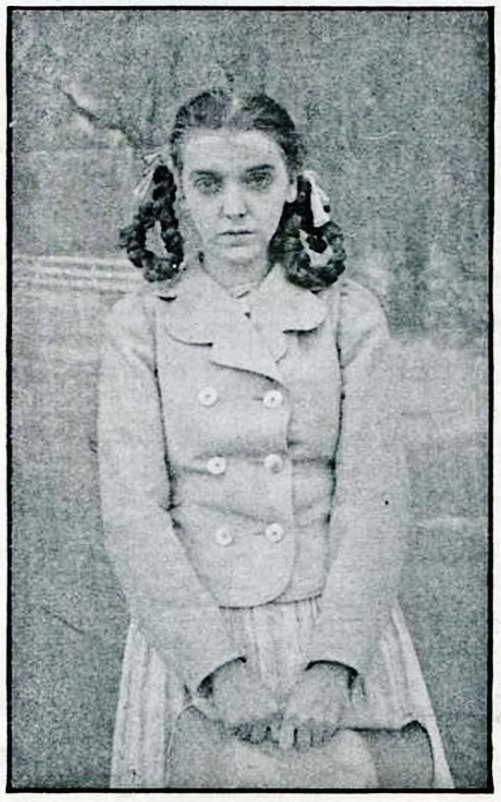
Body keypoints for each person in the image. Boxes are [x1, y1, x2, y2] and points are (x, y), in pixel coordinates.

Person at [98, 89, 453, 789]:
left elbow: (373, 502)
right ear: (178, 192)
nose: (234, 207)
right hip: (197, 635)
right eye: (209, 183)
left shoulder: (348, 317)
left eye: (257, 179)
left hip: (332, 625)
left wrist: (334, 665)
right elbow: (132, 515)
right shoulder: (140, 326)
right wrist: (216, 670)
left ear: (292, 185)